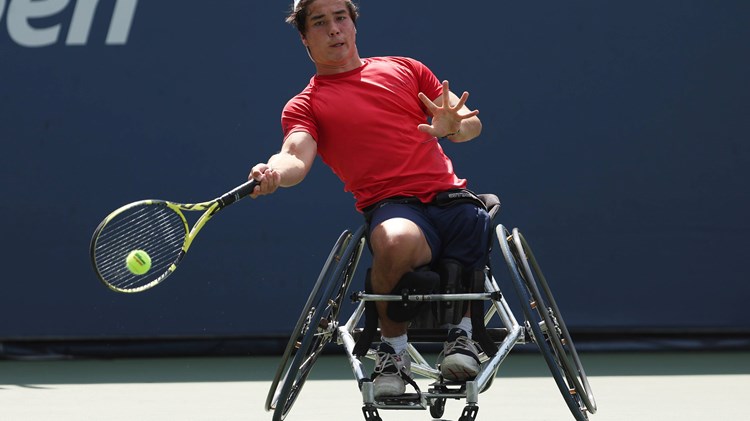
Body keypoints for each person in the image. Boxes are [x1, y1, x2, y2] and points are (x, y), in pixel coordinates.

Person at [249, 0, 491, 398]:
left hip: (449, 196)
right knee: (397, 241)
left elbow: (469, 124)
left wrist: (455, 128)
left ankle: (463, 337)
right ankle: (392, 354)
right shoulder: (306, 104)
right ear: (305, 39)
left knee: (473, 220)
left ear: (353, 25)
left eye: (340, 18)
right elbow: (293, 154)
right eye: (320, 22)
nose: (334, 29)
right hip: (394, 205)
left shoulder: (405, 69)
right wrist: (273, 172)